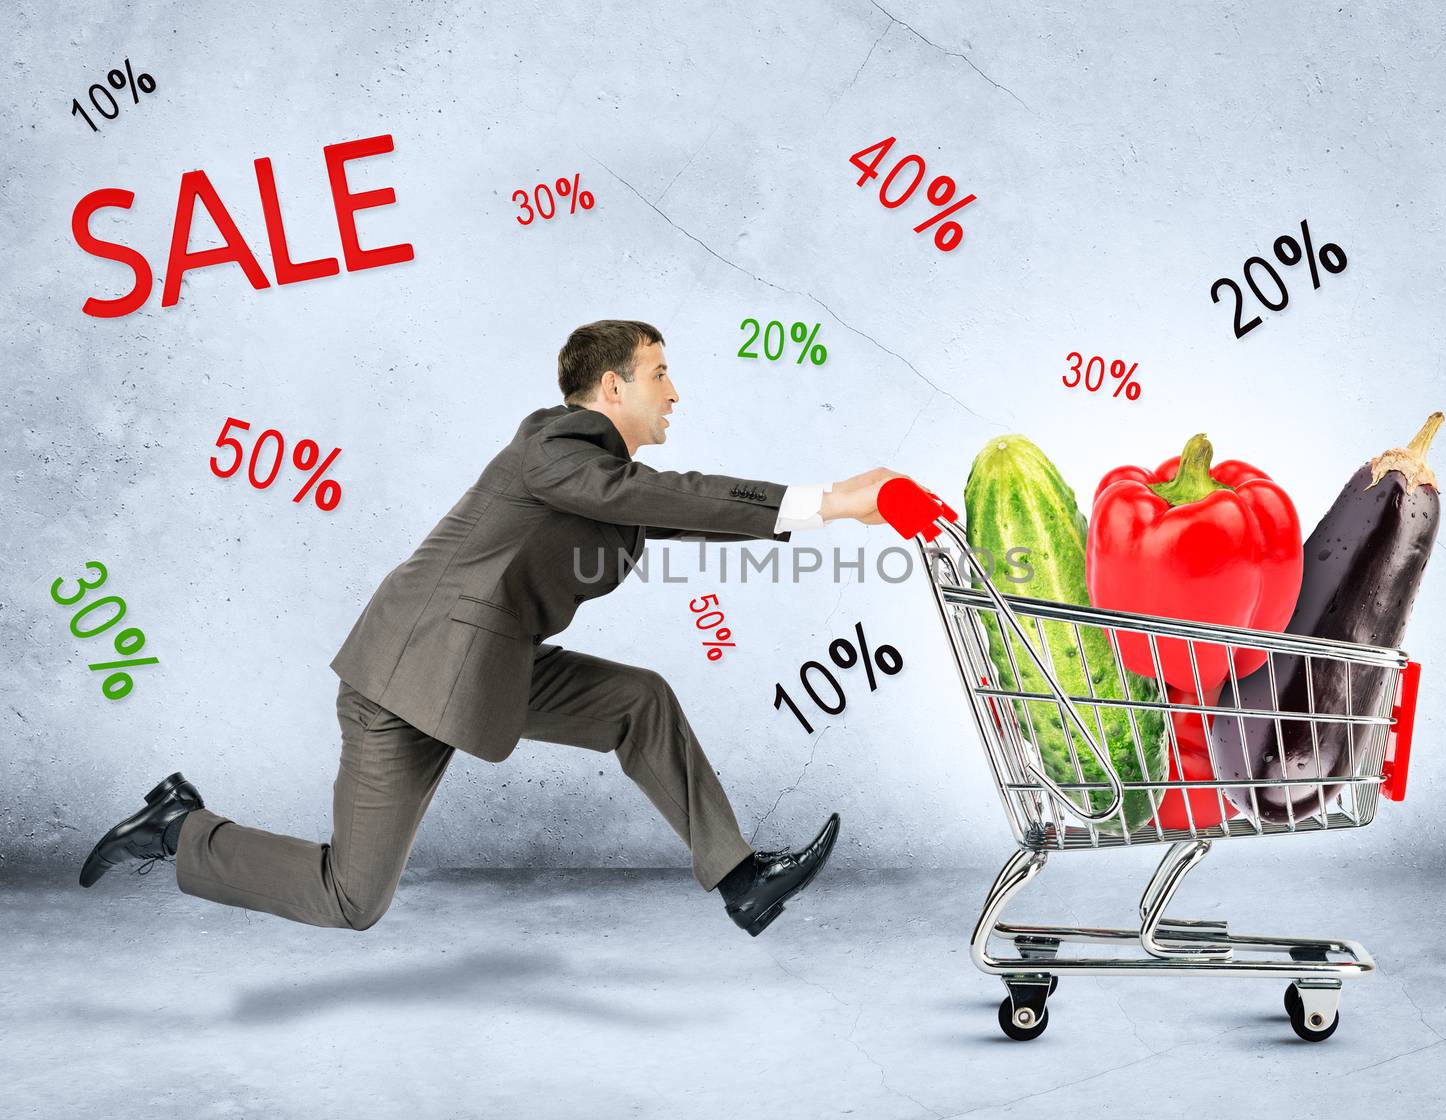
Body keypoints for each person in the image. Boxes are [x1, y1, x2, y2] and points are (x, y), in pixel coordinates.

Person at [79, 320, 910, 938]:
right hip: (406, 683)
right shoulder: (551, 448)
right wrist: (829, 498)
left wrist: (833, 505)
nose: (676, 392)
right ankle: (178, 830)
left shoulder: (600, 479)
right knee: (351, 898)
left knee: (637, 702)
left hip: (484, 668)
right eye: (661, 373)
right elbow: (663, 497)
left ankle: (740, 880)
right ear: (612, 388)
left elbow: (678, 510)